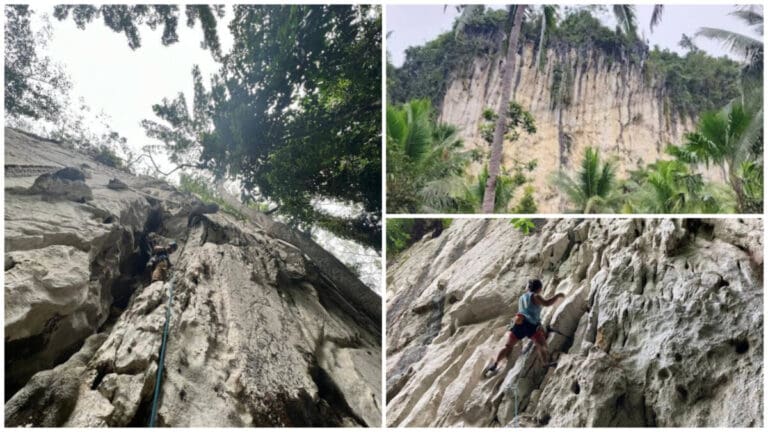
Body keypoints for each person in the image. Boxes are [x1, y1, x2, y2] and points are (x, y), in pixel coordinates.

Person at [483, 279, 564, 377]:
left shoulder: (522, 297)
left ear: (528, 287)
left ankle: (495, 363)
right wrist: (558, 295)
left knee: (508, 346)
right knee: (541, 344)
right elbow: (547, 303)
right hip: (530, 324)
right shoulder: (535, 296)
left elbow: (525, 310)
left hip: (518, 322)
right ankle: (545, 363)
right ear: (539, 288)